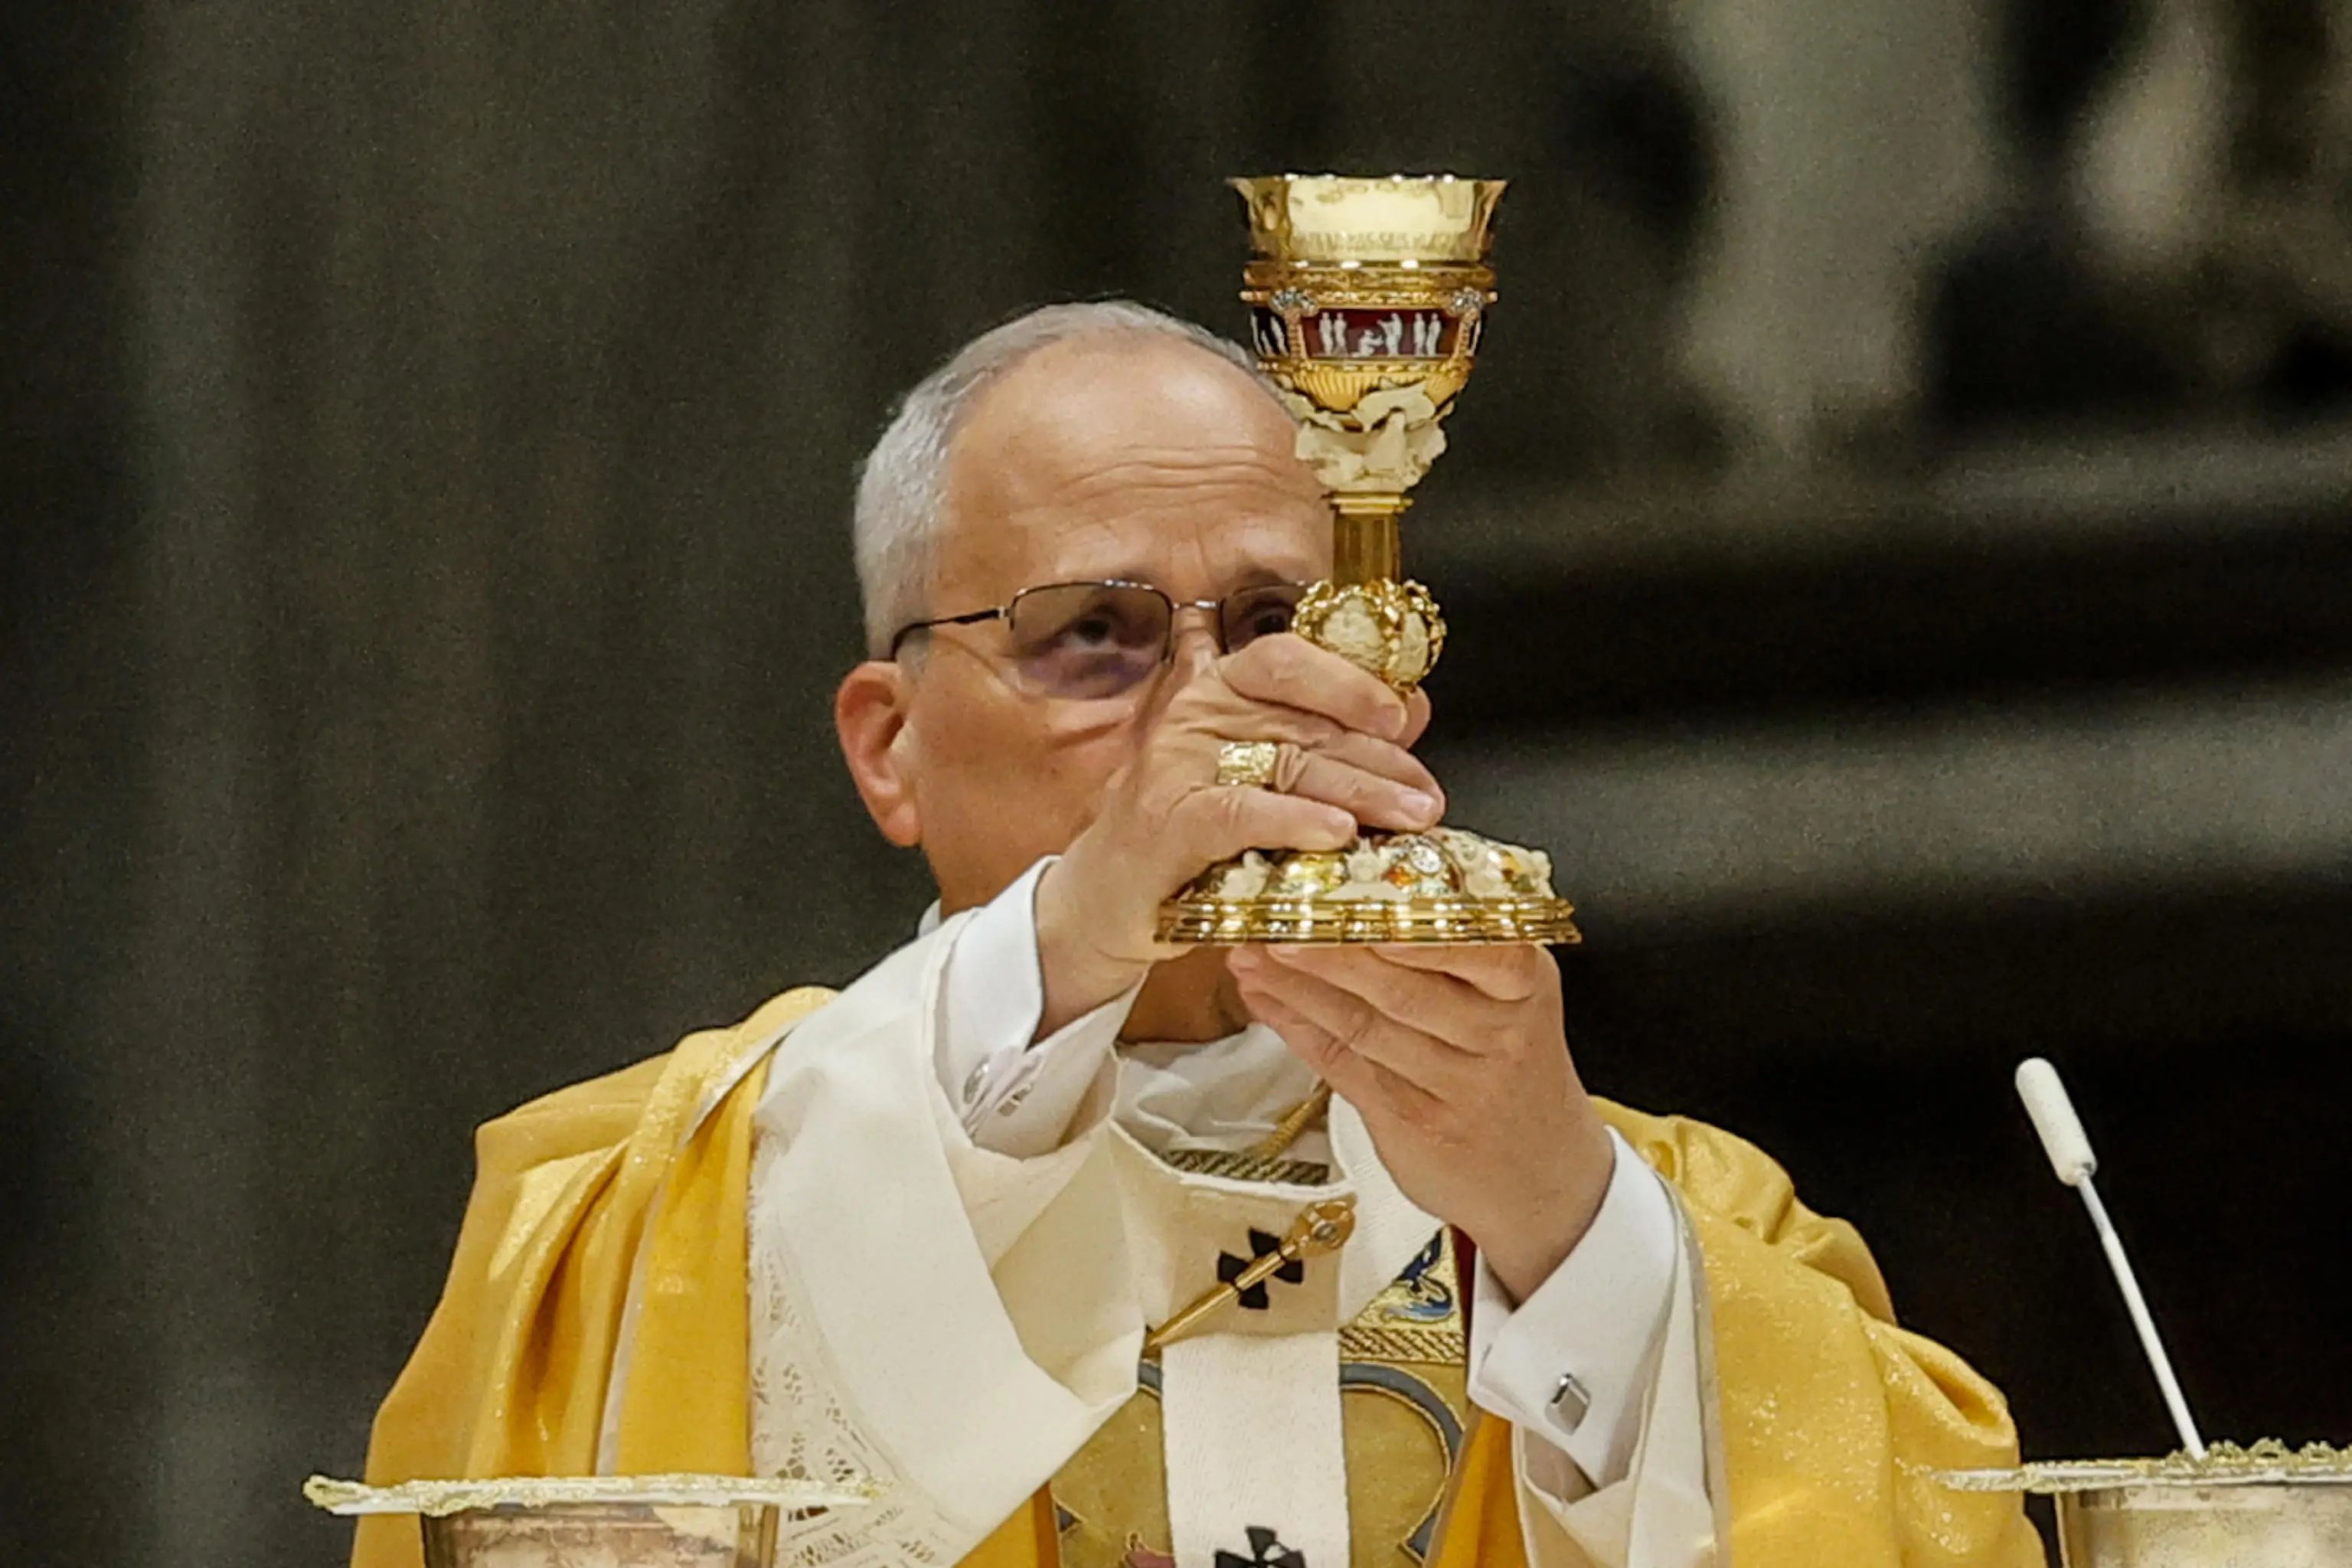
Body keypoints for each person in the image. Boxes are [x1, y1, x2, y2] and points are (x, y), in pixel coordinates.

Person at [356, 302, 2044, 1568]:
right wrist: (1079, 933)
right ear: (890, 743)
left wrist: (1552, 1217)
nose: (1215, 716)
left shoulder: (1660, 1218)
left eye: (1273, 629)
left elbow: (1907, 1517)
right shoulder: (636, 1224)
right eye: (1095, 635)